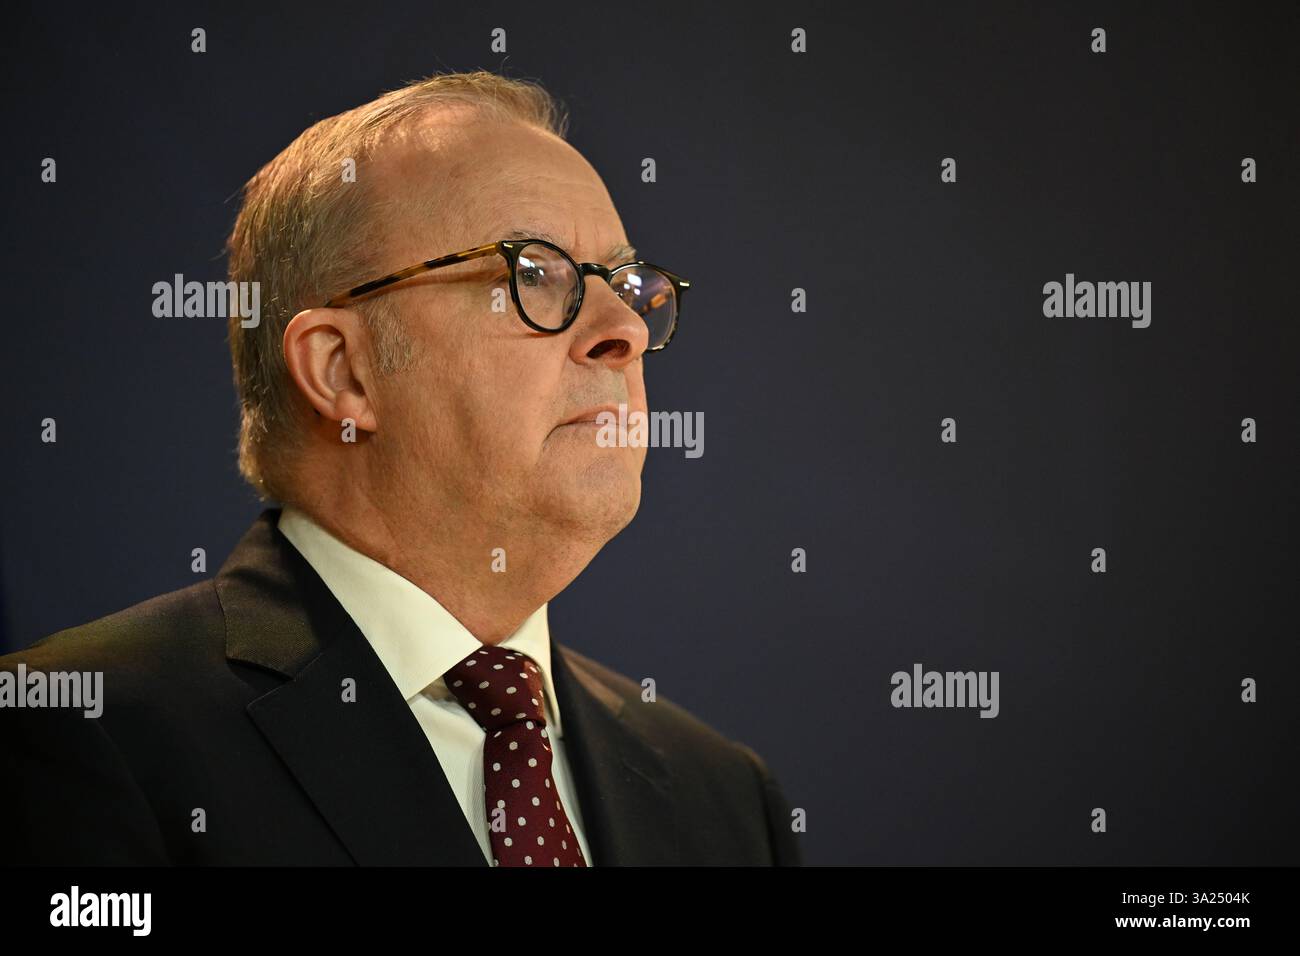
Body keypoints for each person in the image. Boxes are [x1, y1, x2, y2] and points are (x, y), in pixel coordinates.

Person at [0, 70, 800, 866]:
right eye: (532, 273)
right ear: (343, 371)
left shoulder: (722, 796)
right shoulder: (79, 731)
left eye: (626, 284)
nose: (622, 327)